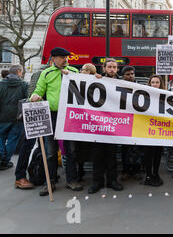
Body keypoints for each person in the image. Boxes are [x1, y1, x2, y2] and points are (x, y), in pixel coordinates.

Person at [30, 47, 82, 196]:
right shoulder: (45, 73)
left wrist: (71, 76)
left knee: (71, 150)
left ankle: (72, 180)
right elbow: (38, 90)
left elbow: (82, 88)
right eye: (61, 57)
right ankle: (50, 182)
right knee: (51, 152)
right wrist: (34, 96)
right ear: (53, 59)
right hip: (51, 115)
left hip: (69, 115)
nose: (65, 59)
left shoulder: (74, 71)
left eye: (66, 57)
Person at [88, 58, 123, 194]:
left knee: (111, 155)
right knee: (97, 156)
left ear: (117, 69)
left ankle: (112, 181)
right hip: (98, 125)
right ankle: (97, 182)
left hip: (113, 126)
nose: (112, 69)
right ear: (104, 68)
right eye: (109, 67)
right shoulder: (97, 80)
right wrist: (93, 77)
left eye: (114, 67)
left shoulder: (122, 83)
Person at [0, 65, 28, 171]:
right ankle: (5, 161)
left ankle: (1, 155)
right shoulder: (24, 84)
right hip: (17, 118)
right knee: (13, 139)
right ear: (18, 71)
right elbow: (27, 100)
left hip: (2, 117)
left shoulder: (1, 84)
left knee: (1, 137)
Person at [119, 66, 143, 181]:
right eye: (128, 74)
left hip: (137, 122)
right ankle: (126, 171)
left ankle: (137, 171)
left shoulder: (141, 88)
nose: (130, 76)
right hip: (123, 122)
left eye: (132, 74)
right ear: (123, 76)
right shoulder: (117, 86)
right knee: (125, 149)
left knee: (137, 148)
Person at [143, 75, 165, 187]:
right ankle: (148, 175)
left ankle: (155, 173)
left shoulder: (166, 96)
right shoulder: (144, 95)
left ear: (160, 84)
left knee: (158, 153)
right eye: (153, 82)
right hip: (148, 129)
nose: (155, 84)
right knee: (148, 153)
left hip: (160, 130)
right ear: (149, 84)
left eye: (157, 82)